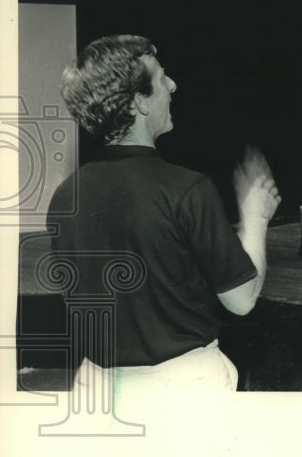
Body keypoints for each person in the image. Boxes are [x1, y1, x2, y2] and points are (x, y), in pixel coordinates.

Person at [47, 34, 281, 398]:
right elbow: (242, 299)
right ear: (140, 102)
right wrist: (255, 217)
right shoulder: (186, 189)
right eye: (161, 78)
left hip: (97, 389)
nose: (172, 85)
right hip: (181, 390)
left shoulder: (65, 196)